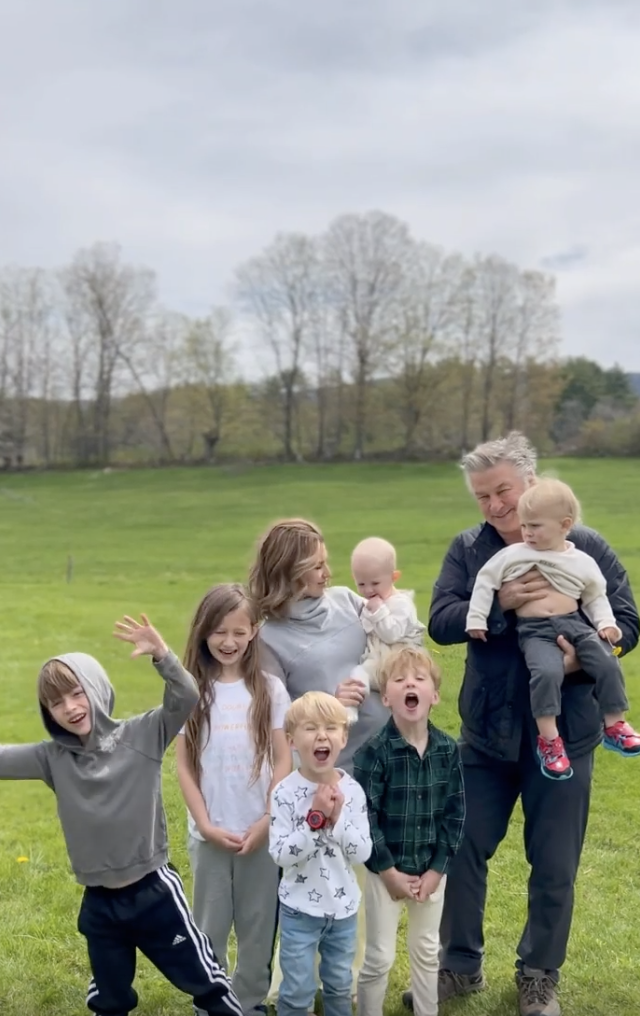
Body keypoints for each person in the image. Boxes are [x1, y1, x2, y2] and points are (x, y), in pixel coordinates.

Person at [412, 432, 639, 1016]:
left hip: (569, 733)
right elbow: (439, 620)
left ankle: (539, 977)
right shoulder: (470, 550)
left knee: (555, 863)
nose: (493, 506)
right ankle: (459, 968)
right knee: (460, 848)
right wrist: (502, 602)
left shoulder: (585, 545)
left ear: (531, 484)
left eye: (502, 491)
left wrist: (585, 659)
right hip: (486, 736)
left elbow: (628, 622)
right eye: (482, 496)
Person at [0, 614, 242, 1016]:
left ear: (94, 690)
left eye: (76, 693)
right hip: (100, 901)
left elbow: (185, 696)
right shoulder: (52, 758)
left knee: (203, 979)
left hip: (154, 891)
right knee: (109, 997)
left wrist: (162, 655)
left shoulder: (141, 734)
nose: (70, 708)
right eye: (56, 703)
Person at [249, 518, 389, 1003]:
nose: (328, 573)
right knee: (313, 877)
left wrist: (370, 679)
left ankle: (348, 985)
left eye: (328, 562)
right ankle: (290, 988)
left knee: (364, 875)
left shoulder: (350, 603)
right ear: (288, 575)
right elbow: (278, 715)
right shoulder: (268, 638)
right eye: (316, 567)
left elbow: (389, 653)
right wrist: (327, 703)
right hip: (327, 771)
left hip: (379, 757)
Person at [466, 477, 640, 780]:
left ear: (564, 524)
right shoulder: (514, 554)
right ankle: (549, 740)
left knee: (606, 660)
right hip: (535, 631)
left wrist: (607, 625)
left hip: (575, 624)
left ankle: (615, 724)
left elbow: (595, 596)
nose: (527, 532)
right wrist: (477, 618)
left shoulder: (581, 561)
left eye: (536, 526)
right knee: (546, 672)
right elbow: (485, 581)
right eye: (525, 525)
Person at [176, 583, 293, 1016]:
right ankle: (212, 1001)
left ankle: (250, 1001)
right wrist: (205, 824)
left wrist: (267, 819)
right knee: (209, 923)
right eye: (219, 632)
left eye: (239, 632)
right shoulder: (190, 692)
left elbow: (283, 759)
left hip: (260, 833)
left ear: (253, 632)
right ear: (203, 633)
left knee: (258, 922)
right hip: (210, 835)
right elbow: (184, 766)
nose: (228, 642)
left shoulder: (270, 689)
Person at [354, 645, 465, 1016]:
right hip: (386, 872)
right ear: (386, 697)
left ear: (434, 695)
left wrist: (436, 871)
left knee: (427, 951)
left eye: (419, 680)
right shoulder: (374, 752)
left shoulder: (448, 751)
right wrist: (388, 872)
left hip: (431, 870)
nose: (409, 685)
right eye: (399, 680)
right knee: (380, 956)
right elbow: (365, 818)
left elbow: (455, 813)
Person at [268, 691, 372, 1016]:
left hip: (343, 913)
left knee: (340, 988)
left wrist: (337, 820)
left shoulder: (352, 791)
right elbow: (281, 854)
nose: (321, 735)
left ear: (343, 737)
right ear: (292, 740)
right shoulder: (285, 792)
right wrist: (314, 820)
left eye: (330, 727)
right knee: (297, 990)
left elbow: (362, 852)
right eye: (310, 728)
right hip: (299, 911)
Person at [346, 537, 426, 725]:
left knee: (404, 690)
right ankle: (350, 708)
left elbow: (392, 634)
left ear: (394, 577)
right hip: (377, 662)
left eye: (374, 583)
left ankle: (408, 718)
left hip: (400, 661)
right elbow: (366, 629)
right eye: (361, 584)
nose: (367, 590)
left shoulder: (402, 604)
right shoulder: (372, 604)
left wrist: (378, 611)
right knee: (358, 673)